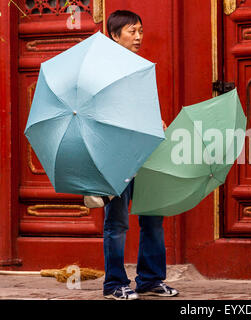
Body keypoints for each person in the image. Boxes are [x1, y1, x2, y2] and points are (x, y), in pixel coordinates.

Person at [84, 10, 177, 300]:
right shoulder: (101, 71)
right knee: (117, 221)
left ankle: (150, 279)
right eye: (131, 31)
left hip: (145, 151)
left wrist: (155, 121)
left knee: (152, 218)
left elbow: (142, 105)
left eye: (140, 30)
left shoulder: (140, 67)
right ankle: (114, 284)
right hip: (115, 154)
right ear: (114, 35)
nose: (138, 37)